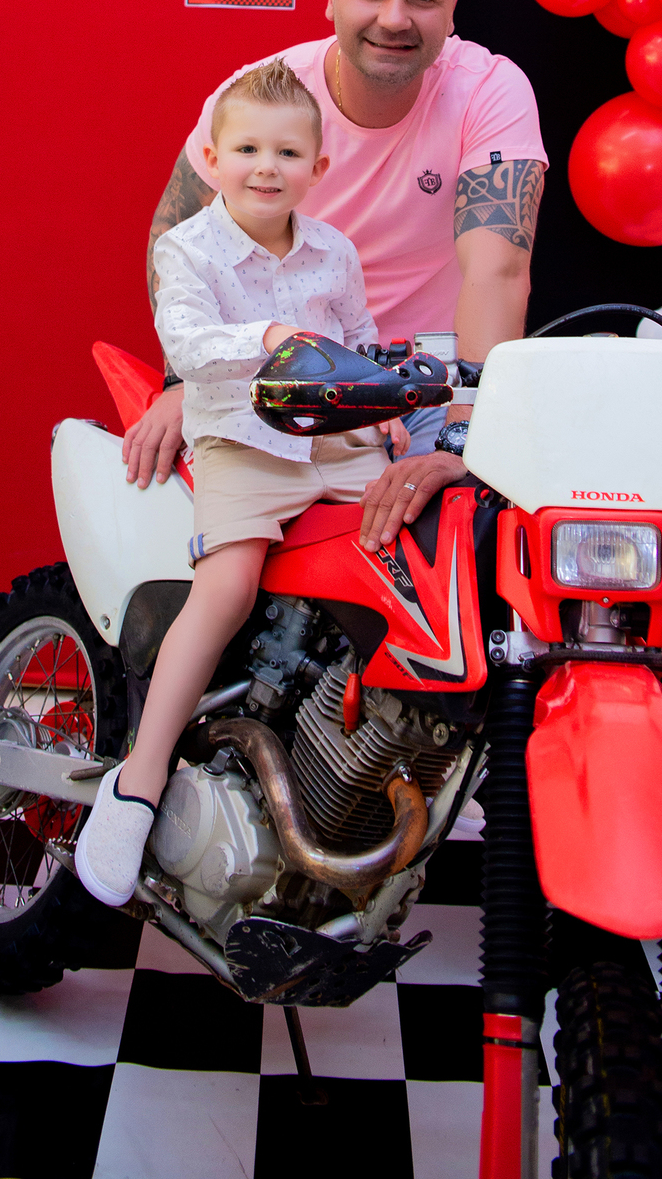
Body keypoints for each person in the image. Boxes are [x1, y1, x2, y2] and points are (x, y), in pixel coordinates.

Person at [123, 0, 548, 555]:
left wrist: (466, 438)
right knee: (230, 583)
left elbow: (498, 268)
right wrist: (188, 383)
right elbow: (177, 232)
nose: (394, 19)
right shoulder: (265, 94)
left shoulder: (489, 90)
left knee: (468, 582)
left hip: (429, 395)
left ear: (453, 7)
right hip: (276, 384)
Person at [76, 58, 406, 907]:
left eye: (289, 153)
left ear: (317, 168)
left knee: (412, 562)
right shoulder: (185, 250)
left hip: (336, 439)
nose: (268, 167)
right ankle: (140, 782)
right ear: (212, 161)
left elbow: (361, 334)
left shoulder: (334, 248)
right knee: (224, 588)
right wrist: (270, 333)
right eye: (249, 149)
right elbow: (185, 346)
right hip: (244, 441)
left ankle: (373, 757)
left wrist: (386, 395)